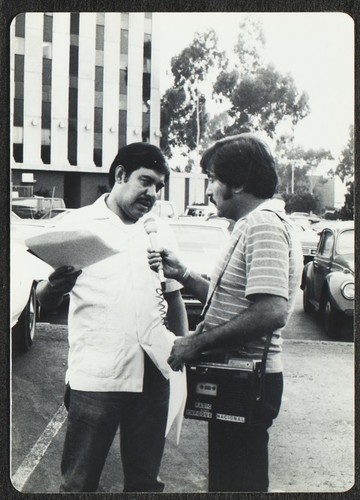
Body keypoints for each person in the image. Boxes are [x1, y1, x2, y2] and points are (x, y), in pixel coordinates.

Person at [148, 133, 303, 492]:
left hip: (248, 378)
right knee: (230, 479)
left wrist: (196, 344)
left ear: (239, 182)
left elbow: (271, 311)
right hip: (238, 376)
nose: (208, 190)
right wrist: (184, 274)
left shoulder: (263, 224)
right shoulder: (253, 224)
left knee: (238, 482)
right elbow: (236, 300)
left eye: (212, 179)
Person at [36, 142, 188, 493]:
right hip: (96, 377)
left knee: (144, 483)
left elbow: (174, 295)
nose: (151, 194)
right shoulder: (78, 225)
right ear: (120, 175)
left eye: (159, 188)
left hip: (153, 375)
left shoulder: (159, 231)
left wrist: (181, 359)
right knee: (78, 482)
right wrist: (55, 286)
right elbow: (44, 299)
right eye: (145, 181)